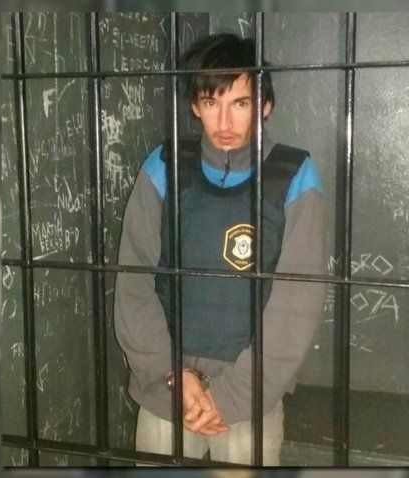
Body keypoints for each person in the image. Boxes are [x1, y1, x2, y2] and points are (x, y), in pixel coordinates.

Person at [113, 33, 325, 466]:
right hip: (167, 390)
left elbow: (297, 304)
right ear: (195, 105)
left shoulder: (294, 176)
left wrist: (232, 396)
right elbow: (133, 282)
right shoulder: (164, 166)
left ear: (264, 106)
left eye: (240, 103)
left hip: (250, 395)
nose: (225, 121)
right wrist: (171, 375)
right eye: (212, 102)